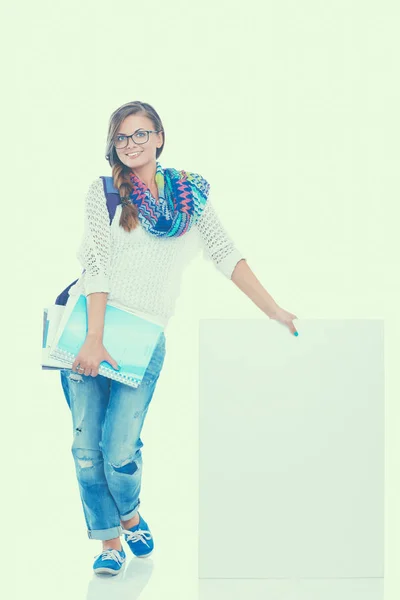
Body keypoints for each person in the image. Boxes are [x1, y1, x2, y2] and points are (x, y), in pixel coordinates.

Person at [59, 100, 298, 576]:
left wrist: (273, 309)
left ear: (160, 137)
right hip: (91, 329)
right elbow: (99, 265)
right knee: (87, 449)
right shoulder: (104, 192)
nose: (131, 145)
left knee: (120, 449)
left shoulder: (190, 199)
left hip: (144, 339)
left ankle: (130, 515)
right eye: (122, 138)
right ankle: (109, 544)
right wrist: (94, 338)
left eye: (140, 134)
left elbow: (227, 253)